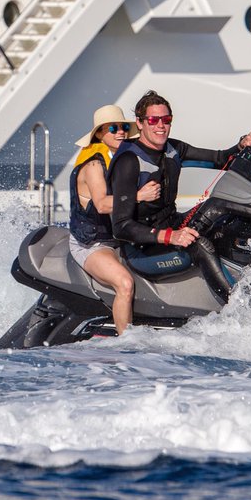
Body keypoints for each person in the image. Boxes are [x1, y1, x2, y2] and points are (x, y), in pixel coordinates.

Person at [109, 90, 251, 301]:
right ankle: (240, 308)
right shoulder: (128, 161)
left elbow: (222, 159)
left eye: (166, 119)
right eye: (153, 120)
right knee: (200, 247)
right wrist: (171, 236)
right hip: (143, 251)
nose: (161, 125)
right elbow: (121, 227)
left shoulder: (174, 148)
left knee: (219, 209)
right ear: (140, 122)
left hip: (174, 225)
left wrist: (243, 144)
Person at [68, 104, 161, 334]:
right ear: (100, 134)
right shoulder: (93, 165)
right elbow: (101, 204)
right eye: (113, 128)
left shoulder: (120, 160)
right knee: (125, 283)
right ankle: (126, 342)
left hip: (118, 237)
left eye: (124, 128)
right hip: (92, 243)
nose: (121, 132)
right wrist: (139, 196)